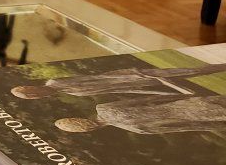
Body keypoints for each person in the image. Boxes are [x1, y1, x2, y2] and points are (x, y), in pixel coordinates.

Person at [12, 62, 226, 102]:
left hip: (138, 75)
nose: (35, 96)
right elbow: (113, 89)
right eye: (32, 97)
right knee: (192, 75)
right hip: (140, 83)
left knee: (195, 70)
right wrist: (159, 92)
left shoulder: (57, 82)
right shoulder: (69, 93)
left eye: (31, 93)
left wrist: (139, 75)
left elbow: (102, 78)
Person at [54, 95, 226, 136]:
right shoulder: (105, 108)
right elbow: (148, 99)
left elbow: (185, 127)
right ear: (77, 119)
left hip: (201, 116)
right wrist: (183, 97)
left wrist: (216, 125)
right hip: (188, 105)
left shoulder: (135, 129)